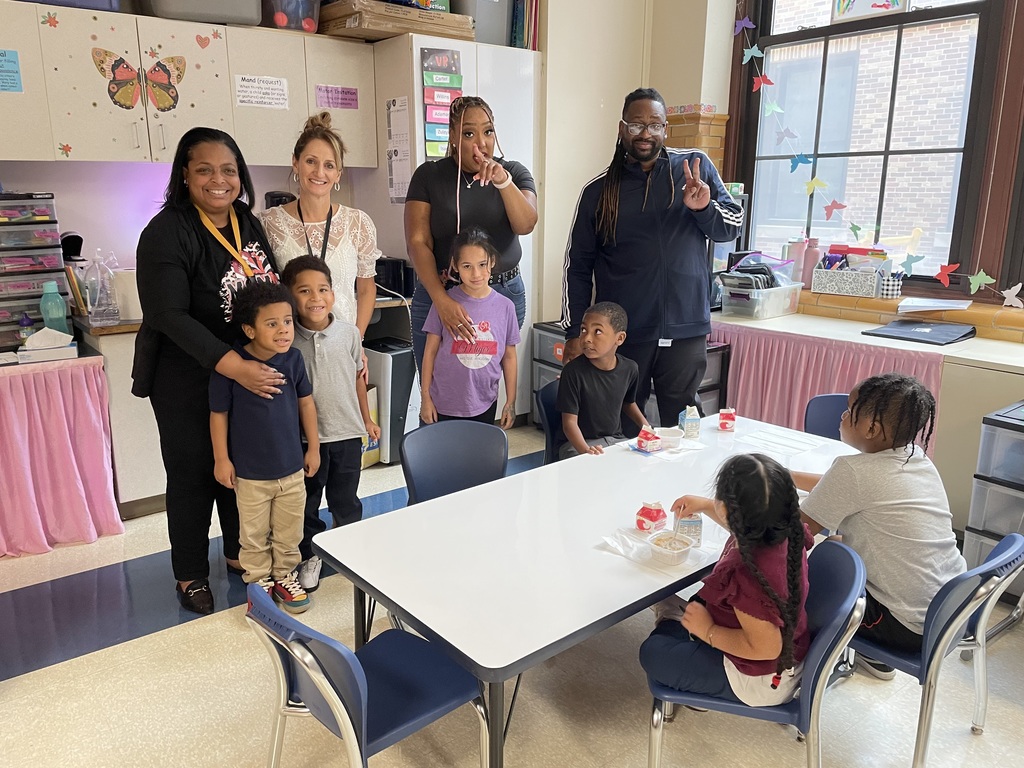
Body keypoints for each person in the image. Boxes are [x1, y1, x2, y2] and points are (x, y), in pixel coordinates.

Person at [134, 127, 283, 615]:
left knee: (238, 465)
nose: (218, 180)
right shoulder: (166, 231)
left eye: (229, 170)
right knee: (194, 473)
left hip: (243, 373)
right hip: (186, 377)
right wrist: (235, 365)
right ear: (185, 175)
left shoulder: (246, 221)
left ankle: (239, 551)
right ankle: (191, 572)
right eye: (205, 170)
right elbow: (167, 315)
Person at [561, 88, 743, 436]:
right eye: (636, 125)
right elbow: (578, 266)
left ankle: (683, 489)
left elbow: (730, 228)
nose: (645, 133)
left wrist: (703, 208)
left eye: (655, 125)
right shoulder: (599, 191)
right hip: (626, 334)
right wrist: (574, 331)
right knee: (621, 423)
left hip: (686, 327)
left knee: (686, 426)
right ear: (621, 128)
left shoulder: (694, 167)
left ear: (666, 129)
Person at [794, 373, 966, 680]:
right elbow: (837, 491)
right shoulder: (917, 458)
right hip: (951, 608)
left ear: (872, 428)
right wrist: (786, 474)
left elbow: (797, 531)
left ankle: (798, 668)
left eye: (849, 410)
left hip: (904, 626)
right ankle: (870, 657)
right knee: (837, 543)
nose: (842, 415)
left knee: (804, 571)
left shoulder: (852, 472)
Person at [639, 454, 813, 707]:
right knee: (701, 600)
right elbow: (743, 521)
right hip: (782, 655)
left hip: (759, 681)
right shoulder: (783, 530)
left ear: (727, 508)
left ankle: (672, 620)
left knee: (653, 654)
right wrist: (705, 505)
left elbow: (766, 648)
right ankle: (685, 625)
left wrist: (708, 631)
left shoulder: (747, 575)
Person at [405, 95, 538, 373]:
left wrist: (503, 182)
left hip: (502, 291)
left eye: (488, 131)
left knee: (485, 384)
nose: (482, 143)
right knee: (435, 385)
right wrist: (442, 302)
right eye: (469, 133)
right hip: (441, 291)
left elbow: (526, 224)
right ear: (453, 136)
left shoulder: (513, 172)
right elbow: (417, 242)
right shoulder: (429, 176)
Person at [209, 281, 319, 613]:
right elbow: (219, 414)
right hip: (251, 474)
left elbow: (307, 405)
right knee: (253, 533)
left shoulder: (294, 360)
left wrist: (312, 447)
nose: (284, 330)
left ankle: (285, 575)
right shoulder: (231, 366)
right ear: (249, 329)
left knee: (289, 531)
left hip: (291, 469)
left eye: (287, 321)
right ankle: (258, 582)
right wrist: (221, 459)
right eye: (272, 324)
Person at [282, 256, 381, 593]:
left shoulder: (349, 334)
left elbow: (357, 380)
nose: (316, 298)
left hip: (348, 433)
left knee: (346, 499)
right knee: (308, 503)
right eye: (305, 291)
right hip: (307, 441)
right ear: (290, 296)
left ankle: (349, 549)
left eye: (323, 289)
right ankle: (309, 555)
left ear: (334, 293)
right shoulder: (286, 339)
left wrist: (367, 420)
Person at [258, 112, 381, 338]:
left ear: (338, 175)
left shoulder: (358, 222)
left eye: (329, 165)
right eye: (311, 161)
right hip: (289, 347)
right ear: (295, 163)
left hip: (342, 344)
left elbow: (365, 289)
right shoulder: (268, 223)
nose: (319, 172)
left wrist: (357, 342)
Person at [420, 227, 519, 426]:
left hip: (485, 402)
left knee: (478, 455)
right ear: (455, 266)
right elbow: (429, 352)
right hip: (444, 404)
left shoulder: (506, 307)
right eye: (467, 266)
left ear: (492, 261)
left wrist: (510, 401)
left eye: (482, 264)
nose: (476, 274)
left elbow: (509, 356)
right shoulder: (445, 304)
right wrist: (425, 399)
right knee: (447, 456)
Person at [556, 301, 646, 459]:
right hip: (577, 444)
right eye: (583, 330)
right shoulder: (573, 372)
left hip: (615, 440)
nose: (587, 338)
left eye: (597, 331)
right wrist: (586, 451)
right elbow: (569, 423)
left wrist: (647, 428)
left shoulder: (630, 368)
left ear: (620, 338)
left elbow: (628, 403)